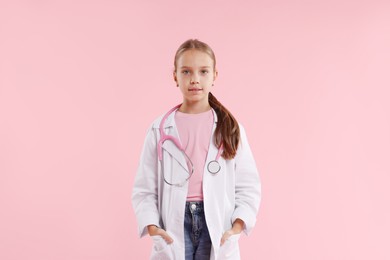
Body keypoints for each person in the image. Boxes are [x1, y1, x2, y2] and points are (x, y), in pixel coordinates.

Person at [132, 39, 261, 260]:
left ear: (214, 76)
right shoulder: (158, 129)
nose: (195, 79)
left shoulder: (230, 128)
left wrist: (236, 228)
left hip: (217, 223)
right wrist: (153, 227)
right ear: (175, 77)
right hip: (175, 223)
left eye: (203, 71)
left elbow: (248, 186)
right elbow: (144, 189)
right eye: (186, 72)